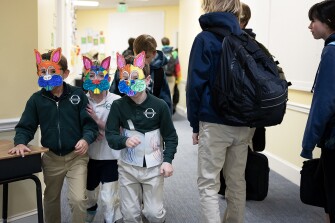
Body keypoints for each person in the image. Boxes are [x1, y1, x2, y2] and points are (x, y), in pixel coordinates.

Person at [8, 48, 99, 223]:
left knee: (79, 200)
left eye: (53, 71)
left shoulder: (78, 95)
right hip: (51, 158)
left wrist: (85, 139)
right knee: (50, 199)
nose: (47, 76)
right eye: (43, 72)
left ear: (65, 73)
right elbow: (26, 127)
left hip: (76, 157)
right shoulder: (36, 99)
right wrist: (20, 142)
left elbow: (90, 125)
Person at [186, 1, 254, 222]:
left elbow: (195, 86)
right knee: (236, 181)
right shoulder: (246, 39)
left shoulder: (204, 39)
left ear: (210, 6)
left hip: (214, 121)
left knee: (208, 182)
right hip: (243, 123)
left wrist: (194, 123)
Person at [105, 52, 178, 223]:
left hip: (153, 168)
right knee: (129, 215)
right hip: (128, 167)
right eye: (125, 79)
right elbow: (111, 134)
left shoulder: (159, 106)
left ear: (147, 80)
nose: (130, 83)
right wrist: (124, 141)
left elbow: (171, 136)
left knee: (153, 214)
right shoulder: (118, 106)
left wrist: (168, 160)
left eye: (136, 78)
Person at [301, 1, 335, 222]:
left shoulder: (331, 54)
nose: (310, 26)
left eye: (313, 20)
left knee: (331, 198)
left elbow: (324, 103)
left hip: (333, 141)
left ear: (328, 23)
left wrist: (307, 144)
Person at [81, 55, 122, 223]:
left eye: (100, 76)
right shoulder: (81, 100)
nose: (96, 79)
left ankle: (110, 220)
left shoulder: (117, 101)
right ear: (85, 78)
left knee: (109, 198)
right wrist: (88, 134)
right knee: (89, 196)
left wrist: (98, 122)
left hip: (110, 157)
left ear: (108, 78)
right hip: (88, 157)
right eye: (91, 76)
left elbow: (119, 128)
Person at [110, 34, 172, 114]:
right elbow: (113, 94)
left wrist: (165, 118)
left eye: (147, 57)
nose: (144, 62)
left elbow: (165, 99)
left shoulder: (159, 72)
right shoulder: (124, 69)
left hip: (151, 115)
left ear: (154, 53)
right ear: (134, 51)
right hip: (126, 115)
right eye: (140, 57)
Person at [161, 37, 181, 114]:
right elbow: (177, 67)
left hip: (162, 76)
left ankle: (162, 113)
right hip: (172, 76)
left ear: (162, 43)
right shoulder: (174, 53)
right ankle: (169, 113)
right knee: (171, 94)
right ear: (169, 42)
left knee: (162, 94)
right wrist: (178, 78)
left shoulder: (160, 52)